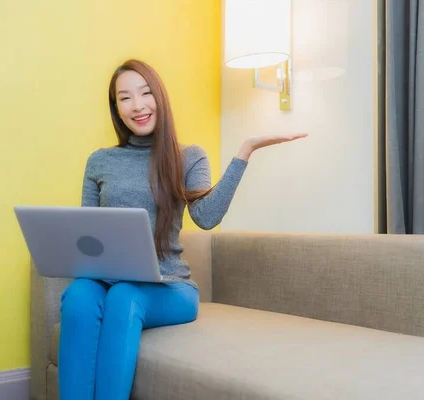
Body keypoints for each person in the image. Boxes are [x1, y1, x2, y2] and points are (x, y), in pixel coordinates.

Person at [58, 59, 307, 400]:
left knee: (125, 296)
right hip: (110, 280)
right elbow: (90, 235)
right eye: (125, 97)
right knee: (79, 296)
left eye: (146, 93)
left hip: (169, 287)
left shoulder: (188, 156)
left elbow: (206, 217)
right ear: (116, 108)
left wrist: (244, 151)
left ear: (160, 98)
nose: (138, 105)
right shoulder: (100, 160)